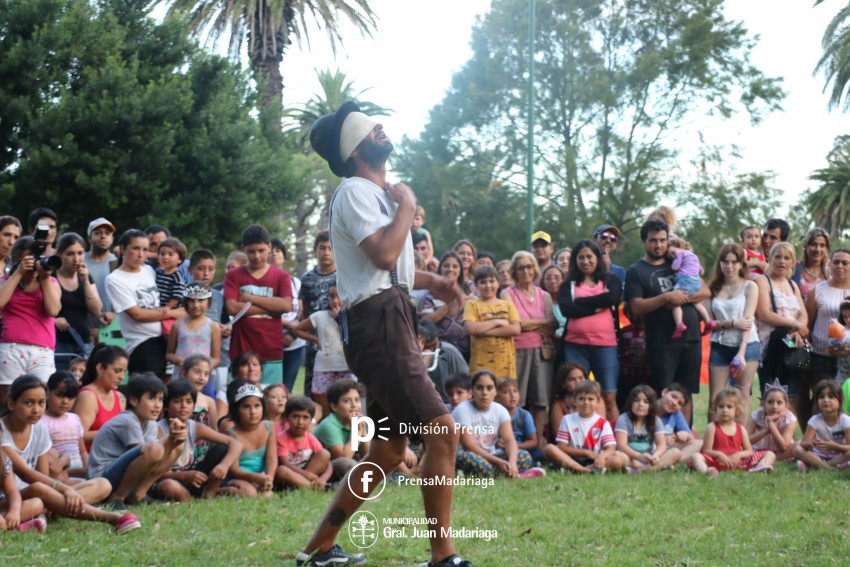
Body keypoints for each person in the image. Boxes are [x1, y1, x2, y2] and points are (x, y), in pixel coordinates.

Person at [305, 100, 468, 567]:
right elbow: (381, 255)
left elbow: (389, 266)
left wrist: (435, 281)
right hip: (380, 324)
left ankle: (318, 550)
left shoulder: (375, 198)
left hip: (385, 316)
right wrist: (410, 206)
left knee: (391, 450)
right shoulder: (355, 191)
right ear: (353, 150)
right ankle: (443, 558)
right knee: (442, 433)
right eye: (370, 129)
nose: (380, 128)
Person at [1, 375, 140, 533]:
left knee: (103, 485)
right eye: (28, 403)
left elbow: (43, 474)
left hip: (35, 496)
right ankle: (110, 517)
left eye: (41, 403)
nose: (36, 409)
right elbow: (26, 474)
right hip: (11, 499)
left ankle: (48, 510)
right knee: (39, 496)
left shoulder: (39, 428)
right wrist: (64, 490)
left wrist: (58, 492)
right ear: (12, 404)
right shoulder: (2, 431)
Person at [625, 218, 709, 422]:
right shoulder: (636, 271)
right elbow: (636, 306)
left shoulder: (677, 260)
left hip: (691, 337)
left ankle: (685, 436)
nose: (659, 245)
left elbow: (705, 290)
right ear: (644, 241)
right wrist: (665, 298)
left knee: (686, 392)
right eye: (653, 240)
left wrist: (681, 297)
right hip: (661, 341)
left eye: (663, 240)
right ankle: (659, 436)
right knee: (661, 392)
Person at [87, 373, 184, 507]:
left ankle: (138, 494)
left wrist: (174, 440)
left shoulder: (150, 422)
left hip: (122, 475)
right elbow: (148, 454)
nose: (157, 405)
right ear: (133, 400)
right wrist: (169, 441)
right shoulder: (128, 420)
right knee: (155, 449)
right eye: (151, 399)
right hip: (102, 476)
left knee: (177, 446)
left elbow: (155, 457)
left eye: (160, 399)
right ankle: (117, 498)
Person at [106, 229, 184, 376]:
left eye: (145, 249)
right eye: (136, 248)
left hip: (166, 339)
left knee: (168, 392)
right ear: (123, 249)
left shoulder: (149, 270)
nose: (141, 254)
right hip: (142, 344)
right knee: (149, 392)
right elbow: (137, 314)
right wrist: (173, 312)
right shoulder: (115, 279)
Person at [559, 239, 622, 422]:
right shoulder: (568, 285)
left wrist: (580, 303)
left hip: (606, 346)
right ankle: (574, 440)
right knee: (575, 395)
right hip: (575, 346)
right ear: (575, 261)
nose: (585, 261)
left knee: (609, 396)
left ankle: (613, 441)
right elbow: (567, 309)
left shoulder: (611, 280)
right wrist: (596, 306)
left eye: (589, 256)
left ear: (597, 258)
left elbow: (612, 298)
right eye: (580, 257)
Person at [225, 224, 292, 386]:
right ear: (244, 249)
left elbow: (285, 306)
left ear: (269, 248)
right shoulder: (233, 275)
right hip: (241, 349)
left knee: (272, 399)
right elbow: (232, 308)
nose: (256, 256)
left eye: (261, 250)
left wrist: (249, 298)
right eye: (251, 251)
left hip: (271, 349)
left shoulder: (281, 276)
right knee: (239, 398)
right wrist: (272, 306)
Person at [153, 380, 243, 501]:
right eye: (177, 401)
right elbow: (153, 472)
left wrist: (224, 465)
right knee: (169, 486)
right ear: (166, 407)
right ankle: (191, 502)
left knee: (222, 449)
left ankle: (208, 496)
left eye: (189, 401)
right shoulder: (158, 430)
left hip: (193, 477)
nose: (184, 406)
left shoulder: (194, 426)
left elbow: (236, 444)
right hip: (168, 478)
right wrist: (184, 476)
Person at [502, 251, 556, 442]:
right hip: (517, 352)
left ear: (535, 270)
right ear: (514, 271)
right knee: (515, 401)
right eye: (521, 267)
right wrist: (539, 322)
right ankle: (513, 442)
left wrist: (526, 323)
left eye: (529, 266)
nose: (526, 271)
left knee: (541, 402)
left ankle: (540, 446)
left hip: (543, 353)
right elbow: (516, 325)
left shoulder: (545, 295)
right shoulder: (507, 293)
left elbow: (552, 326)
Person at [0, 236, 61, 400]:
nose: (35, 261)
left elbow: (53, 310)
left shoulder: (51, 282)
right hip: (11, 348)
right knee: (7, 401)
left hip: (43, 350)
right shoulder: (5, 281)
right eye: (31, 257)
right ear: (18, 258)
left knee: (40, 401)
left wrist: (45, 277)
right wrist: (18, 272)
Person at [452, 370, 545, 479]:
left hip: (493, 455)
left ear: (495, 392)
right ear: (472, 391)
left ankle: (503, 473)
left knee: (524, 456)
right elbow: (468, 446)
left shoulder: (500, 410)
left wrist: (512, 463)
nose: (484, 392)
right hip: (471, 455)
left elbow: (510, 440)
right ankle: (514, 475)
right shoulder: (462, 410)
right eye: (479, 388)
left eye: (489, 388)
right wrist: (498, 463)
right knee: (467, 458)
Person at [706, 243, 760, 416]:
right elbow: (709, 323)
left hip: (747, 345)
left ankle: (739, 442)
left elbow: (747, 321)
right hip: (720, 345)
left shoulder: (750, 286)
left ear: (741, 264)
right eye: (725, 262)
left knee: (741, 397)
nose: (729, 266)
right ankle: (712, 441)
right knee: (715, 399)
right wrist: (731, 323)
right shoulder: (712, 289)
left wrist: (741, 353)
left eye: (734, 262)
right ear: (719, 263)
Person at [288, 285, 357, 419]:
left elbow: (354, 338)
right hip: (323, 368)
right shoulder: (319, 316)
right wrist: (315, 339)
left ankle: (350, 437)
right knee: (325, 411)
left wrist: (341, 320)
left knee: (350, 410)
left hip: (346, 368)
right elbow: (297, 329)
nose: (335, 301)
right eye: (331, 296)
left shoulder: (353, 317)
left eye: (339, 296)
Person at [755, 242, 808, 408]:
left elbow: (803, 313)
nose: (781, 261)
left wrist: (798, 330)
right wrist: (795, 325)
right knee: (771, 396)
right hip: (770, 346)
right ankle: (767, 431)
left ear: (793, 262)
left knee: (790, 396)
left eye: (786, 258)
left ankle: (786, 433)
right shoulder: (762, 281)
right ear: (770, 259)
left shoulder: (792, 285)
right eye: (777, 257)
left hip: (791, 343)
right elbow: (764, 314)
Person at [690, 388, 775, 477]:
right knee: (695, 456)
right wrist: (719, 454)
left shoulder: (740, 429)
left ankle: (760, 467)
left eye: (729, 407)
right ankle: (707, 471)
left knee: (770, 453)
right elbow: (706, 450)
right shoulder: (712, 427)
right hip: (716, 461)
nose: (725, 410)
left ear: (737, 411)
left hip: (738, 462)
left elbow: (749, 451)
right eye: (721, 406)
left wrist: (739, 454)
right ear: (715, 409)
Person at [544, 380, 625, 474]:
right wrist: (586, 453)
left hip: (594, 460)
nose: (586, 402)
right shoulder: (567, 419)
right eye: (581, 399)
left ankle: (581, 470)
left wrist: (601, 457)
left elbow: (610, 448)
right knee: (549, 448)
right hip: (570, 458)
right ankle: (580, 469)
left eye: (590, 399)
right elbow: (562, 447)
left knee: (618, 460)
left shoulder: (603, 422)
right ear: (575, 400)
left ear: (598, 402)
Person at [805, 249, 850, 416]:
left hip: (848, 359)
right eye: (836, 262)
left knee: (845, 402)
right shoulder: (818, 290)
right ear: (829, 264)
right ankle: (818, 440)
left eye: (845, 263)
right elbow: (808, 324)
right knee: (824, 401)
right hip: (821, 355)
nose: (840, 266)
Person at [54, 233, 102, 369]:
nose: (76, 259)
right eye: (70, 254)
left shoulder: (86, 277)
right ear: (59, 254)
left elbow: (96, 310)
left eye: (80, 253)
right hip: (58, 343)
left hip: (83, 342)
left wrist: (86, 281)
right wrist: (54, 319)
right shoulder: (50, 277)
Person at [299, 230, 337, 402]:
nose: (326, 253)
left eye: (331, 248)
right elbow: (305, 309)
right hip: (315, 342)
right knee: (313, 391)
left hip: (339, 342)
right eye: (322, 248)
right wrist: (312, 337)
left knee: (342, 390)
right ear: (315, 250)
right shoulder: (307, 278)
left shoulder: (344, 275)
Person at [463, 265, 521, 377]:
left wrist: (481, 330)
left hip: (505, 366)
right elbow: (470, 328)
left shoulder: (507, 305)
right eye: (483, 282)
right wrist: (497, 322)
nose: (488, 285)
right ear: (476, 285)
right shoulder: (472, 304)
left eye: (492, 281)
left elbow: (515, 329)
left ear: (498, 283)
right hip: (480, 366)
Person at [188, 249, 231, 397]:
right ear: (190, 269)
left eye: (211, 269)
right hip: (190, 359)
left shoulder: (219, 296)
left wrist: (225, 332)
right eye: (201, 268)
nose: (206, 274)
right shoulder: (183, 294)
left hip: (216, 361)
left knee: (214, 398)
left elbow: (224, 323)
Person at [224, 381, 276, 497]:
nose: (253, 412)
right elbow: (234, 469)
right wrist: (254, 477)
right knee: (250, 493)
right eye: (246, 407)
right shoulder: (232, 434)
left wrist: (269, 479)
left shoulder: (270, 427)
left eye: (257, 406)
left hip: (261, 476)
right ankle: (221, 490)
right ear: (237, 410)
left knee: (267, 496)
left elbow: (272, 458)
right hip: (239, 478)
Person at [615, 385, 682, 473]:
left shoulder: (656, 420)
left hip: (650, 458)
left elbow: (661, 444)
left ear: (652, 405)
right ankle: (659, 467)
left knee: (676, 452)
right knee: (617, 455)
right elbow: (621, 445)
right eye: (636, 400)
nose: (640, 404)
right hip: (630, 456)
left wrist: (655, 456)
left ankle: (638, 471)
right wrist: (638, 456)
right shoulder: (623, 418)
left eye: (646, 402)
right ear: (630, 402)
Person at [270, 238, 307, 396]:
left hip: (295, 343)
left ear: (284, 257)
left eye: (278, 251)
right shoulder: (263, 284)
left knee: (288, 388)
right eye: (270, 252)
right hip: (270, 342)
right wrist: (286, 325)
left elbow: (302, 309)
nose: (274, 254)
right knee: (271, 388)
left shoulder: (295, 282)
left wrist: (292, 333)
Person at [74, 344, 127, 452]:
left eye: (124, 371)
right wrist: (113, 432)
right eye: (117, 371)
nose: (122, 377)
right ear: (100, 368)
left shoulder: (120, 397)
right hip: (92, 459)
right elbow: (79, 436)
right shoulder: (88, 396)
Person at [312, 380, 368, 480]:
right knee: (348, 464)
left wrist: (362, 432)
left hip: (349, 460)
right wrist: (357, 432)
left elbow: (368, 454)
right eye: (347, 401)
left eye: (357, 400)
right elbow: (344, 456)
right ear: (334, 406)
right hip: (326, 468)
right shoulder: (329, 425)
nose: (354, 405)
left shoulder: (355, 421)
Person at [419, 251, 470, 360]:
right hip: (441, 355)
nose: (450, 269)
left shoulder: (469, 289)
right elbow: (426, 322)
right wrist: (446, 306)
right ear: (440, 269)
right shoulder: (430, 296)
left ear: (460, 270)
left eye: (455, 266)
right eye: (446, 266)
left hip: (469, 353)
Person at [275, 396, 333, 490]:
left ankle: (301, 485)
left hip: (308, 471)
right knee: (281, 470)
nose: (300, 422)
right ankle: (312, 487)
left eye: (305, 417)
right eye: (296, 417)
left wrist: (323, 479)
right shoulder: (281, 438)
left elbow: (328, 464)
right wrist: (306, 475)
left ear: (311, 420)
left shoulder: (311, 439)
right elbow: (285, 463)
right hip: (289, 475)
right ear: (286, 418)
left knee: (325, 454)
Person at [792, 379, 850, 471]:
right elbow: (804, 443)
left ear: (840, 400)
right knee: (797, 449)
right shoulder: (814, 420)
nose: (826, 400)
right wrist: (810, 444)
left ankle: (818, 466)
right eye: (821, 397)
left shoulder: (846, 421)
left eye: (831, 396)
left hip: (839, 456)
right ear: (817, 401)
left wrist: (834, 446)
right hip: (818, 455)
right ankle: (829, 468)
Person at [166, 282, 221, 379]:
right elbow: (169, 354)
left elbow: (216, 358)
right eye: (191, 301)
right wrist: (179, 360)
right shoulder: (177, 325)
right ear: (185, 302)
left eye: (201, 300)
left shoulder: (213, 327)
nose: (196, 305)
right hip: (182, 376)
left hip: (203, 378)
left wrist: (203, 368)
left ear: (208, 301)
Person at [0, 418, 46, 532]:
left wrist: (14, 511)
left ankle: (9, 525)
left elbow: (12, 492)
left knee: (37, 504)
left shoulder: (4, 461)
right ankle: (17, 527)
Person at [667, 235, 715, 339]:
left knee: (675, 301)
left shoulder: (679, 253)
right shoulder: (694, 256)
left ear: (679, 246)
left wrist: (675, 261)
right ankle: (708, 322)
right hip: (696, 281)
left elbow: (675, 267)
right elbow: (701, 271)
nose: (671, 256)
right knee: (696, 302)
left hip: (685, 280)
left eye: (671, 253)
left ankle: (679, 324)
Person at [42, 371, 87, 479]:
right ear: (47, 393)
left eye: (70, 397)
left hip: (80, 469)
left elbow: (82, 450)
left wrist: (88, 465)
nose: (65, 401)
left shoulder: (75, 418)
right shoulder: (41, 422)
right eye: (59, 395)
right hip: (57, 471)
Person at [417, 319, 469, 404]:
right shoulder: (412, 356)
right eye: (427, 347)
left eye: (434, 346)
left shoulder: (449, 351)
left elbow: (466, 379)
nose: (433, 350)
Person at [746, 379, 797, 462]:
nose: (774, 406)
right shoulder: (757, 414)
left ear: (786, 405)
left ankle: (770, 459)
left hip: (781, 452)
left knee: (798, 445)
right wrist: (766, 430)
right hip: (758, 451)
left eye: (779, 402)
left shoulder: (790, 418)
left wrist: (771, 425)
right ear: (763, 403)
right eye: (770, 402)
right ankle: (763, 457)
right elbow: (746, 440)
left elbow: (783, 447)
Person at [496, 377, 543, 463]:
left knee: (538, 453)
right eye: (506, 392)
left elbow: (533, 441)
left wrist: (515, 446)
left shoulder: (525, 415)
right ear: (497, 397)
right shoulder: (494, 415)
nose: (512, 395)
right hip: (499, 450)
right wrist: (497, 443)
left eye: (515, 391)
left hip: (520, 448)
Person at [655, 384, 702, 463]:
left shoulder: (676, 413)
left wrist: (684, 435)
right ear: (664, 392)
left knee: (699, 443)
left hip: (667, 449)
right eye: (673, 396)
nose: (674, 403)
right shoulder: (647, 408)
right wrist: (661, 441)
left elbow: (691, 439)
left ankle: (670, 461)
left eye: (679, 403)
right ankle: (664, 462)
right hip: (648, 446)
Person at [84, 218, 117, 327]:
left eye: (107, 233)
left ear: (112, 239)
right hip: (84, 330)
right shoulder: (79, 261)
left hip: (112, 328)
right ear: (89, 238)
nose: (103, 236)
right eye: (98, 233)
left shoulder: (118, 263)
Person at [216, 350, 263, 424]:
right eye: (245, 365)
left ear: (261, 371)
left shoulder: (268, 390)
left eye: (255, 364)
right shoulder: (225, 391)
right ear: (236, 372)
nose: (251, 369)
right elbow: (220, 421)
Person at [154, 237, 188, 337]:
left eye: (170, 254)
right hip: (160, 310)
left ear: (180, 259)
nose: (165, 257)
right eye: (162, 254)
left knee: (168, 332)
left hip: (172, 311)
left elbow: (177, 295)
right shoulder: (158, 272)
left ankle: (171, 350)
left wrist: (168, 307)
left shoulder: (177, 275)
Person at [180, 354, 218, 432]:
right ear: (184, 374)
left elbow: (214, 431)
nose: (202, 378)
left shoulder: (209, 402)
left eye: (206, 374)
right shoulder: (174, 398)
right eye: (197, 372)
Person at [792, 227, 831, 301]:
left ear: (826, 249)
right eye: (813, 244)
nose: (818, 249)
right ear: (806, 246)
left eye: (822, 245)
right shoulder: (794, 268)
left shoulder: (831, 270)